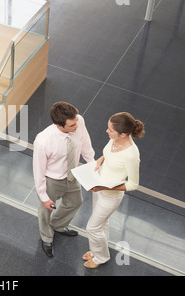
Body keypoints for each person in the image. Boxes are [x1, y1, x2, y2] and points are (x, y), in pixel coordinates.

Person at [33, 102, 95, 258]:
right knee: (46, 210)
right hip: (52, 179)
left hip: (72, 174)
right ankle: (46, 237)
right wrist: (43, 196)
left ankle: (58, 225)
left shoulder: (78, 120)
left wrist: (92, 164)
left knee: (75, 202)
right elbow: (38, 170)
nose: (76, 126)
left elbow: (85, 143)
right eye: (72, 126)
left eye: (76, 122)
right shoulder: (43, 140)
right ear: (59, 125)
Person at [83, 112, 145, 268]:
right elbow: (109, 154)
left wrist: (104, 186)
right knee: (101, 223)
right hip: (99, 187)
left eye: (110, 130)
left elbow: (133, 184)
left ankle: (100, 257)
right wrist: (101, 159)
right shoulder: (114, 138)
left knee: (92, 227)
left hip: (110, 196)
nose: (107, 131)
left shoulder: (132, 155)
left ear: (123, 134)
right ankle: (97, 251)